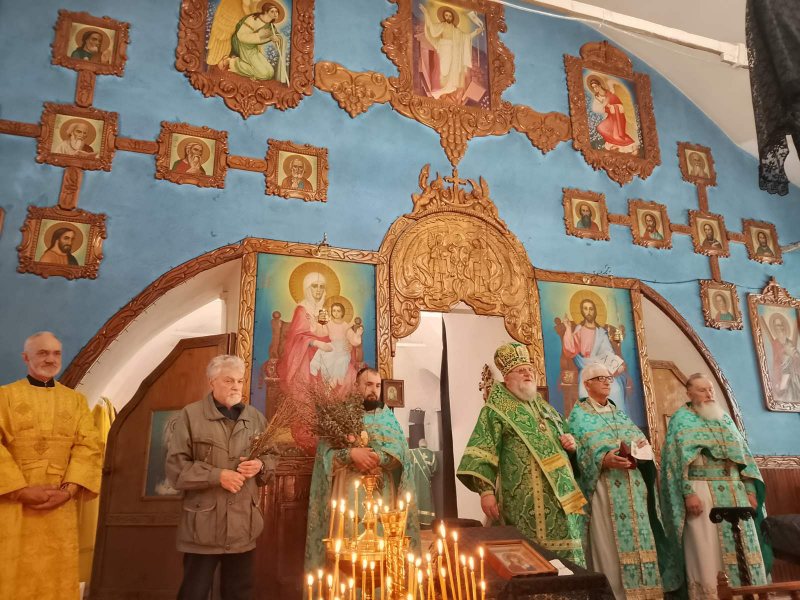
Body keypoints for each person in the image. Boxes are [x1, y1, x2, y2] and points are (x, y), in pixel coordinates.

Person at [457, 342, 587, 565]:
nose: (528, 373)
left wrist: (572, 445)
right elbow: (481, 451)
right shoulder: (495, 411)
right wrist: (486, 492)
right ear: (507, 378)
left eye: (530, 369)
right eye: (521, 370)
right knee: (529, 560)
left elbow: (569, 442)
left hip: (561, 501)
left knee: (568, 563)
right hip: (522, 503)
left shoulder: (547, 409)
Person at [0, 331, 102, 600]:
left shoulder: (75, 401)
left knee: (57, 576)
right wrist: (20, 491)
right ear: (26, 358)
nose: (50, 359)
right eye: (42, 353)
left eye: (56, 353)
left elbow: (89, 446)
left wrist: (69, 491)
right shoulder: (4, 396)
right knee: (11, 573)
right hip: (13, 504)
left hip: (59, 502)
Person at [567, 363, 679, 600]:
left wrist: (642, 450)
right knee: (609, 543)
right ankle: (616, 594)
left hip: (634, 488)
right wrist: (602, 459)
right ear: (587, 384)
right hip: (604, 489)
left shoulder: (619, 414)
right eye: (600, 378)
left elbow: (639, 442)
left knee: (641, 541)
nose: (607, 382)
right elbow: (578, 454)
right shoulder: (578, 416)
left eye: (609, 378)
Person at [166, 354, 272, 600]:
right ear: (211, 381)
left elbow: (272, 457)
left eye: (240, 381)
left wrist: (260, 465)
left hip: (243, 527)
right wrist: (217, 476)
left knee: (239, 594)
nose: (236, 386)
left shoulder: (256, 418)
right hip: (203, 527)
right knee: (194, 593)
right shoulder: (190, 415)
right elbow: (176, 469)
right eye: (228, 380)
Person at [660, 374, 769, 599]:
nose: (709, 394)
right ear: (689, 393)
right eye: (702, 390)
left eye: (710, 389)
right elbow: (675, 463)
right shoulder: (681, 420)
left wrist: (749, 490)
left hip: (735, 491)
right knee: (708, 549)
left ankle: (748, 594)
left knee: (745, 549)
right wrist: (688, 494)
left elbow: (744, 458)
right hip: (703, 491)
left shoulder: (724, 418)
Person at [304, 367, 419, 571]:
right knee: (349, 552)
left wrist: (380, 457)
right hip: (348, 496)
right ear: (356, 386)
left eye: (378, 386)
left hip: (382, 497)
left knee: (381, 554)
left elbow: (402, 457)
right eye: (368, 384)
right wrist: (351, 454)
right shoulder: (339, 415)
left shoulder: (387, 418)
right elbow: (325, 457)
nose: (374, 390)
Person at [561, 297, 626, 410]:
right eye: (585, 309)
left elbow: (608, 352)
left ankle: (614, 418)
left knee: (615, 389)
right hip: (587, 367)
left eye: (591, 309)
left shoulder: (601, 332)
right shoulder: (579, 330)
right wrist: (567, 328)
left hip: (603, 367)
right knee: (586, 392)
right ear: (582, 311)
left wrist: (614, 364)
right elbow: (570, 350)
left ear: (595, 311)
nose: (588, 312)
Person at [419, 4, 484, 99]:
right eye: (446, 15)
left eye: (450, 16)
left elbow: (466, 37)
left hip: (453, 51)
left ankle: (447, 89)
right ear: (444, 16)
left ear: (452, 18)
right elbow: (431, 27)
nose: (448, 17)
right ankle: (440, 89)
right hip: (443, 48)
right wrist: (426, 13)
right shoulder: (442, 25)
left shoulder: (456, 30)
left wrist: (476, 32)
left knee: (451, 70)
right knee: (443, 70)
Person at [223, 2, 288, 82]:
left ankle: (252, 72)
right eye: (272, 11)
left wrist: (276, 38)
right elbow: (241, 36)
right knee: (264, 74)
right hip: (243, 46)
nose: (275, 14)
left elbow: (276, 35)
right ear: (265, 11)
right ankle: (232, 62)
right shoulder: (253, 19)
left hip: (253, 49)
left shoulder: (270, 26)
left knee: (270, 73)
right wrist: (259, 35)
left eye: (276, 11)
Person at [309, 300, 363, 389]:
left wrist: (357, 335)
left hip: (342, 348)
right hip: (333, 345)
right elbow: (322, 332)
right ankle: (314, 367)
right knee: (321, 351)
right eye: (334, 311)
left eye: (338, 311)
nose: (336, 313)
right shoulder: (329, 323)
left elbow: (352, 338)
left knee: (340, 361)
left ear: (342, 313)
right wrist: (315, 323)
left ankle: (334, 380)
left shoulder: (345, 325)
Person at [587, 75, 638, 153]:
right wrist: (604, 105)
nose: (595, 89)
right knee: (600, 128)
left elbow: (620, 106)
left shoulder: (610, 93)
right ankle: (615, 144)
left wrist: (613, 107)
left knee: (617, 135)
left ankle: (628, 145)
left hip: (618, 117)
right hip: (610, 117)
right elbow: (596, 109)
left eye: (596, 86)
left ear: (600, 85)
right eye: (593, 87)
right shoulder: (597, 97)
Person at [762, 312, 800, 403]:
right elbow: (776, 362)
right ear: (774, 328)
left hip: (794, 376)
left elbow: (796, 357)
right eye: (777, 325)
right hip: (784, 376)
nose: (780, 327)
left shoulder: (789, 342)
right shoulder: (775, 343)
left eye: (781, 324)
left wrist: (794, 356)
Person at [408, 439, 438, 526]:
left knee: (415, 499)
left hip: (415, 481)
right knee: (426, 499)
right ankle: (426, 520)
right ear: (426, 444)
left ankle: (415, 519)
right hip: (426, 482)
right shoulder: (432, 454)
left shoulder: (412, 452)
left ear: (419, 444)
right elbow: (435, 469)